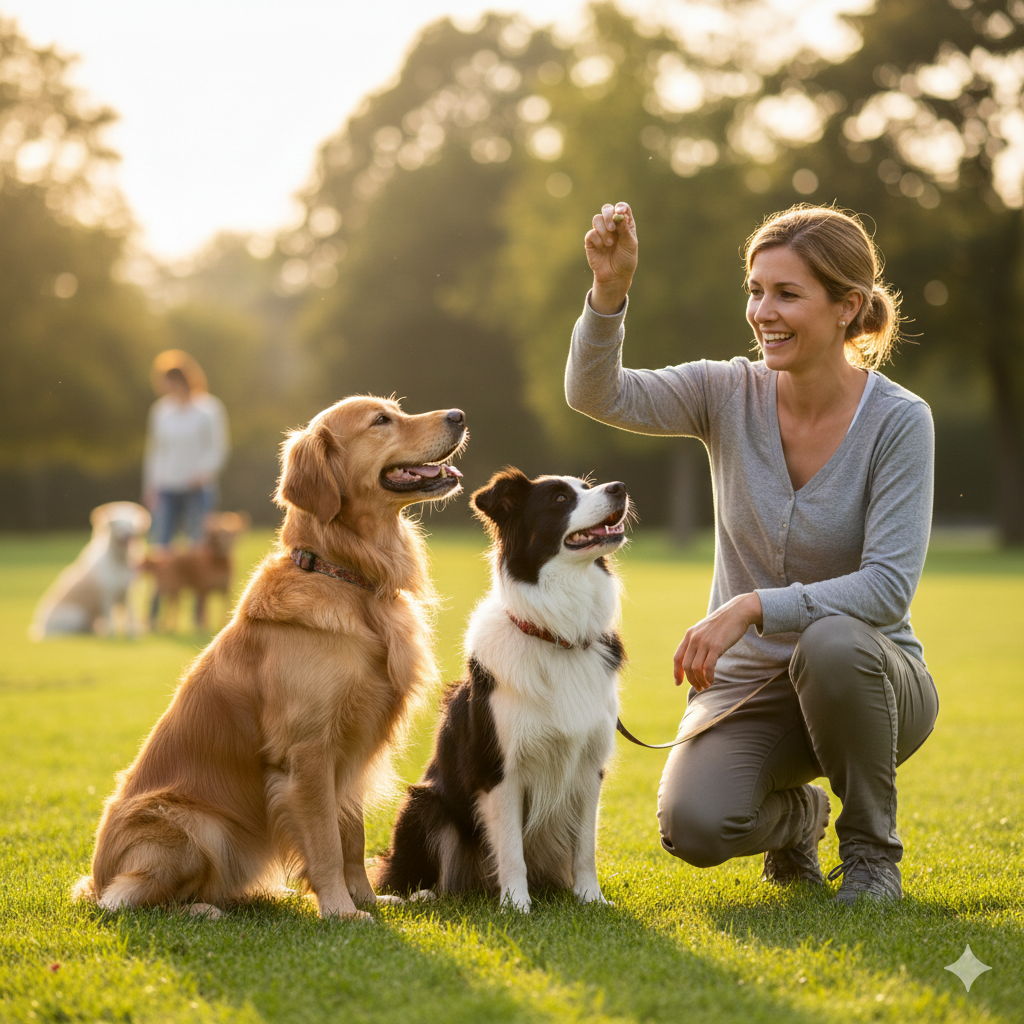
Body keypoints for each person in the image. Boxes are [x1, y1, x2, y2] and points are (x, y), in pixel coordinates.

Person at [565, 201, 938, 905]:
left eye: (787, 294)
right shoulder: (725, 391)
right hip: (750, 690)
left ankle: (870, 857)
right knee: (696, 827)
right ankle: (802, 820)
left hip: (872, 685)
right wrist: (609, 294)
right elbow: (595, 393)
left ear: (846, 307)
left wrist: (753, 607)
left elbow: (888, 588)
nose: (762, 311)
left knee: (829, 643)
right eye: (755, 290)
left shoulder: (899, 422)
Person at [143, 350, 230, 551]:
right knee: (161, 544)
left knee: (197, 544)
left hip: (197, 489)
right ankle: (161, 584)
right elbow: (155, 452)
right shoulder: (160, 411)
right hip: (166, 487)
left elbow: (218, 448)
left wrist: (204, 472)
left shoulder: (209, 409)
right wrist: (150, 486)